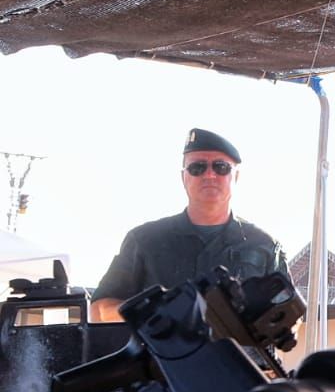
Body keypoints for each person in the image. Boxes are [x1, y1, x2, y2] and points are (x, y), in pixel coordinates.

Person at [91, 128, 286, 322]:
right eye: (197, 168)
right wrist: (156, 314)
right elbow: (99, 311)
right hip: (164, 352)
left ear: (236, 177)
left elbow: (288, 318)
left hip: (238, 353)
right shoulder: (145, 241)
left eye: (221, 167)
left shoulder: (264, 245)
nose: (209, 175)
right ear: (184, 177)